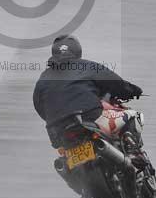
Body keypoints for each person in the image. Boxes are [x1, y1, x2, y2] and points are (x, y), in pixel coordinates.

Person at [33, 34, 147, 165]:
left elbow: (38, 105)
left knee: (63, 161)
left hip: (57, 131)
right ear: (77, 50)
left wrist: (56, 117)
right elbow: (115, 83)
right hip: (89, 118)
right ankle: (134, 154)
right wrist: (132, 90)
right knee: (131, 115)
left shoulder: (44, 77)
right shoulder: (86, 66)